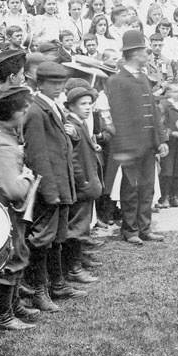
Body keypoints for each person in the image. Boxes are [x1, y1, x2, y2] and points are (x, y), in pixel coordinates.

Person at [22, 61, 86, 309]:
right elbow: (37, 155)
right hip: (51, 186)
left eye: (61, 82)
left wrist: (74, 136)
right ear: (41, 84)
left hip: (62, 182)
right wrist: (49, 191)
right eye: (54, 83)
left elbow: (62, 146)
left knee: (58, 236)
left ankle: (57, 284)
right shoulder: (37, 111)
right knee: (43, 238)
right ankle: (40, 291)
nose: (59, 87)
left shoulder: (53, 107)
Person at [0, 85, 41, 331]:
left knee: (19, 249)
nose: (26, 113)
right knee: (11, 254)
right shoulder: (1, 141)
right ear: (14, 112)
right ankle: (3, 315)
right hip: (4, 203)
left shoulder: (3, 135)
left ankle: (13, 305)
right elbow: (14, 189)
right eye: (24, 109)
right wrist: (27, 178)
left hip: (6, 203)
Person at [104, 30, 169, 243]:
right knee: (130, 189)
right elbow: (118, 117)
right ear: (134, 53)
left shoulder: (143, 77)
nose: (147, 55)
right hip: (130, 147)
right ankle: (130, 230)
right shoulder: (117, 80)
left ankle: (145, 228)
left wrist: (161, 141)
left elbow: (154, 111)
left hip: (148, 145)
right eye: (144, 51)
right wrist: (123, 149)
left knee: (147, 188)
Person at [63, 86, 103, 284]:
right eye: (83, 104)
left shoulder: (80, 123)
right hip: (82, 185)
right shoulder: (71, 126)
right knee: (77, 227)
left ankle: (78, 262)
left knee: (82, 225)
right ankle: (73, 268)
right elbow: (74, 160)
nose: (88, 108)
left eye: (89, 104)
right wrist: (82, 181)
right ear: (71, 106)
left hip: (87, 182)